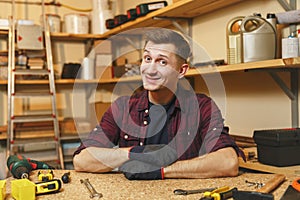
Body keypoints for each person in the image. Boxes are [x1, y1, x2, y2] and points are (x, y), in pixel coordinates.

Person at [73, 28, 244, 180]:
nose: (150, 69)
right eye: (147, 58)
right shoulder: (123, 108)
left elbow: (228, 161)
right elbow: (82, 160)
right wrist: (133, 153)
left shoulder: (201, 107)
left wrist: (162, 171)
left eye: (162, 62)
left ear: (181, 70)